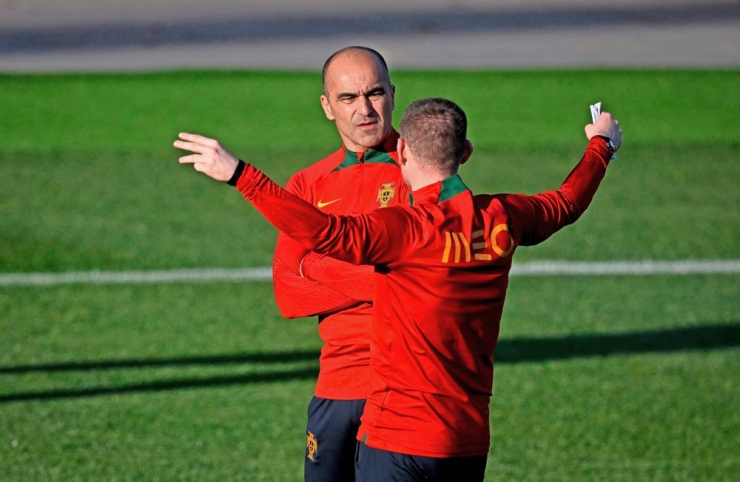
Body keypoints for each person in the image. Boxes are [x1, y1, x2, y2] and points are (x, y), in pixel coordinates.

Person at [175, 97, 622, 482]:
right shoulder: (504, 216)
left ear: (403, 149)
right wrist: (601, 143)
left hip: (396, 439)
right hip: (467, 441)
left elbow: (323, 232)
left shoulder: (405, 229)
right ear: (465, 152)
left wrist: (240, 175)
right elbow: (567, 202)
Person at [272, 46, 408, 481]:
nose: (365, 110)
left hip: (401, 390)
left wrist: (314, 265)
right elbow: (288, 296)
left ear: (392, 94)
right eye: (348, 98)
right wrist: (376, 279)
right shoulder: (307, 184)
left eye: (374, 94)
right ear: (327, 107)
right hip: (333, 389)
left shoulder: (422, 171)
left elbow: (415, 281)